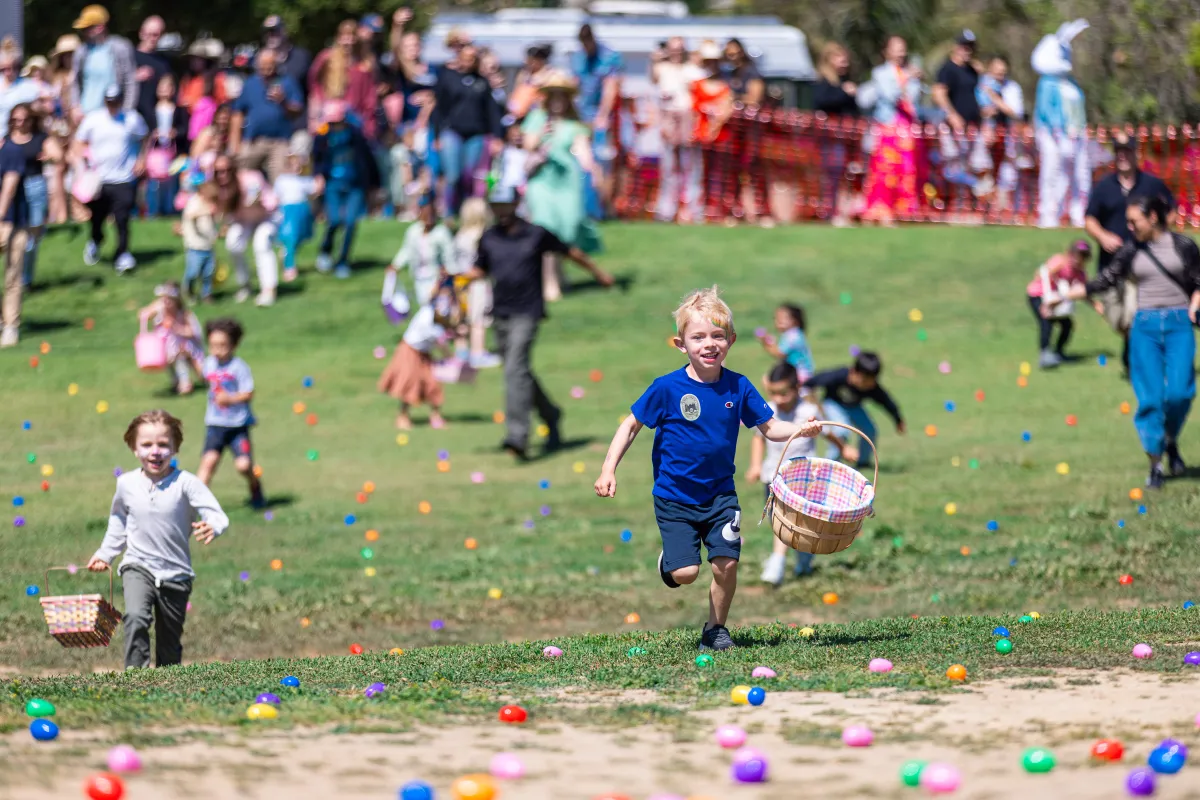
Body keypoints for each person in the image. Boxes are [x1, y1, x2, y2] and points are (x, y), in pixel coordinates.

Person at [593, 287, 822, 651]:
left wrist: (799, 429)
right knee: (686, 574)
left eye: (718, 336)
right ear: (680, 343)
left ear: (730, 341)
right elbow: (630, 425)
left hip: (720, 496)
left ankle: (715, 629)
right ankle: (671, 562)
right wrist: (608, 469)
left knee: (725, 566)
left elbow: (769, 427)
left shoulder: (739, 386)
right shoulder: (666, 388)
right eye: (698, 336)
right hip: (674, 498)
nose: (709, 344)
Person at [463, 184, 613, 459]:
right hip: (501, 313)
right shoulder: (489, 237)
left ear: (516, 203)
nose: (501, 211)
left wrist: (598, 273)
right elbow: (479, 270)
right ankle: (551, 413)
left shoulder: (536, 233)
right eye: (496, 206)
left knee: (514, 370)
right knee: (517, 371)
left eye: (505, 205)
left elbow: (570, 252)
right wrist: (454, 279)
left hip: (528, 312)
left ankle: (517, 437)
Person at [1068, 195, 1200, 489]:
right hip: (1145, 328)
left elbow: (1199, 280)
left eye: (1133, 221)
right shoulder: (1131, 250)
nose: (1128, 227)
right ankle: (1155, 465)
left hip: (1180, 325)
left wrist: (1196, 301)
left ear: (1153, 217)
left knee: (1180, 393)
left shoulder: (1184, 246)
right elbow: (1108, 278)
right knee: (1151, 398)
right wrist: (1074, 292)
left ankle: (1169, 439)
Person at [87, 409, 229, 670]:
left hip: (176, 573)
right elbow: (118, 522)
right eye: (147, 444)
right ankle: (136, 676)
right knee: (136, 617)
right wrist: (106, 553)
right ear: (134, 448)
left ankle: (167, 681)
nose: (155, 451)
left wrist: (213, 526)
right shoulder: (127, 484)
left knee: (169, 640)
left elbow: (215, 513)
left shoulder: (186, 483)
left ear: (175, 448)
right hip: (137, 565)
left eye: (163, 444)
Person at [1085, 133, 1176, 371]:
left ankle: (1142, 357)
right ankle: (1131, 345)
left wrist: (1157, 235)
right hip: (1111, 266)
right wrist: (1103, 236)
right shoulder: (1104, 186)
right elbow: (1089, 220)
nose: (1123, 156)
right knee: (1119, 319)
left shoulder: (1151, 185)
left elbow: (1171, 210)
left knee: (1137, 315)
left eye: (1127, 151)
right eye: (1119, 151)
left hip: (1142, 267)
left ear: (1136, 153)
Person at [748, 362, 844, 586]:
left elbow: (827, 432)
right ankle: (779, 560)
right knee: (780, 521)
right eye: (773, 392)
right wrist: (755, 465)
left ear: (797, 387)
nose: (778, 398)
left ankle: (799, 559)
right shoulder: (768, 410)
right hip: (773, 476)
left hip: (803, 478)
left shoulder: (808, 412)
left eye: (783, 392)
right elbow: (758, 438)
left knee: (801, 524)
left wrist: (843, 447)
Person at [522, 72, 602, 302]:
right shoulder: (537, 118)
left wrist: (594, 170)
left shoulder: (575, 125)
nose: (557, 100)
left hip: (566, 182)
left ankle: (558, 272)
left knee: (567, 228)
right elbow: (528, 145)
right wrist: (541, 133)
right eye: (553, 95)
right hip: (542, 180)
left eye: (562, 95)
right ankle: (550, 283)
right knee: (545, 226)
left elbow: (583, 152)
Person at [75, 84, 148, 274]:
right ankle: (95, 240)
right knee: (97, 218)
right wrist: (84, 162)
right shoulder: (94, 119)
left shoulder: (132, 119)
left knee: (122, 217)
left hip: (123, 177)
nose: (112, 105)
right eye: (109, 102)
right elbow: (79, 142)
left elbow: (144, 138)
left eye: (115, 102)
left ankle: (122, 253)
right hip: (100, 179)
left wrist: (141, 159)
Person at [197, 317, 265, 507]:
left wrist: (229, 398)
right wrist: (186, 356)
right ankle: (196, 508)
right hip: (215, 424)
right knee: (207, 465)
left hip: (238, 426)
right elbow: (202, 376)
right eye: (213, 345)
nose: (217, 350)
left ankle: (255, 485)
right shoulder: (209, 363)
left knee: (243, 466)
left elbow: (248, 393)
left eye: (222, 345)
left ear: (234, 345)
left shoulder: (239, 367)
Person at [431, 42, 504, 217]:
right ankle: (449, 212)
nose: (469, 61)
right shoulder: (447, 77)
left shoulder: (482, 82)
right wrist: (437, 135)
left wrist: (497, 137)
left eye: (473, 58)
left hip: (475, 134)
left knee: (469, 175)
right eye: (466, 58)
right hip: (452, 132)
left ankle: (466, 211)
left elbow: (492, 112)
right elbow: (438, 109)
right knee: (453, 175)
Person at [858, 35, 923, 225]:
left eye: (902, 47)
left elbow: (913, 98)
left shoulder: (908, 72)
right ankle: (879, 211)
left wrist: (909, 79)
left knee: (906, 170)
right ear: (886, 51)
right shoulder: (881, 73)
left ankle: (902, 212)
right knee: (884, 171)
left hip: (906, 129)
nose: (900, 51)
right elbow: (890, 95)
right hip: (887, 129)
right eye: (896, 47)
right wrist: (907, 79)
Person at [1032, 19, 1091, 228]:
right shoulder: (1047, 83)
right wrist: (1059, 133)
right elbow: (1047, 112)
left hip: (1076, 135)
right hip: (1054, 136)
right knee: (1053, 171)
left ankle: (1078, 212)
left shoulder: (1071, 82)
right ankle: (1049, 213)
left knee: (1079, 174)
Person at [378, 281, 460, 429]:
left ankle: (436, 416)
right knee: (409, 384)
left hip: (424, 353)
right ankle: (402, 416)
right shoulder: (427, 317)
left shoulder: (438, 316)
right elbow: (440, 342)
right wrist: (450, 357)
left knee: (433, 383)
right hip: (410, 350)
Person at [312, 100, 379, 278]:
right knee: (334, 220)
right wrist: (318, 176)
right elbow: (317, 159)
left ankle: (343, 261)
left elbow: (368, 161)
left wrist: (373, 186)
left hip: (354, 185)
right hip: (333, 184)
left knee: (350, 222)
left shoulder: (356, 135)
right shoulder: (322, 136)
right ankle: (326, 251)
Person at [803, 352, 905, 466]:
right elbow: (812, 381)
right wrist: (804, 390)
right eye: (864, 381)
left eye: (871, 381)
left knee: (870, 430)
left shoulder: (873, 387)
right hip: (833, 404)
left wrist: (898, 420)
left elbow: (886, 402)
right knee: (842, 431)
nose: (867, 385)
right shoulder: (839, 376)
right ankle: (830, 464)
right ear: (853, 372)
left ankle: (863, 463)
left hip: (854, 407)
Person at [211, 153, 279, 306]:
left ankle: (268, 290)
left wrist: (260, 201)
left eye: (227, 170)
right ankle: (245, 284)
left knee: (261, 244)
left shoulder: (250, 179)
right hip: (244, 220)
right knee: (233, 243)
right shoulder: (220, 189)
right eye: (218, 172)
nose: (223, 175)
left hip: (266, 217)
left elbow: (271, 200)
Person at [651, 37, 705, 223]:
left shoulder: (693, 69)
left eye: (680, 48)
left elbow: (699, 96)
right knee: (668, 167)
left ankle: (692, 209)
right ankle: (666, 210)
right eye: (673, 48)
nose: (676, 52)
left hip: (688, 117)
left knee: (690, 166)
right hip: (668, 116)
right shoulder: (662, 69)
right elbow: (655, 82)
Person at [571, 24, 623, 217]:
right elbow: (575, 87)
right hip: (581, 118)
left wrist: (602, 116)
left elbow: (610, 88)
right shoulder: (578, 57)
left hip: (602, 119)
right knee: (583, 161)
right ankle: (586, 206)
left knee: (602, 162)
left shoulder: (609, 56)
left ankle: (604, 208)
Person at [230, 48, 303, 183]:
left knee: (281, 180)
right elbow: (237, 113)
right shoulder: (250, 83)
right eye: (263, 65)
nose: (266, 68)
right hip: (254, 140)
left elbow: (298, 110)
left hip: (279, 141)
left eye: (270, 65)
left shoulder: (287, 81)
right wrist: (235, 143)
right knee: (239, 176)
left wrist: (283, 101)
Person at [8, 104, 59, 289]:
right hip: (13, 189)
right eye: (16, 120)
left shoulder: (39, 138)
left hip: (35, 186)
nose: (20, 124)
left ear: (31, 120)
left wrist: (49, 157)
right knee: (17, 236)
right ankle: (18, 278)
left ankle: (26, 277)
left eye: (24, 119)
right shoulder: (6, 140)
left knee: (33, 238)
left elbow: (58, 155)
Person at [721, 38, 771, 225]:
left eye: (735, 52)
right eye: (729, 53)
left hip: (752, 131)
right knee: (732, 171)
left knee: (754, 170)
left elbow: (755, 98)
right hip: (734, 132)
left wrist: (732, 100)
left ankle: (763, 213)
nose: (732, 56)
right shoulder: (729, 73)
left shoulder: (751, 71)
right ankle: (735, 211)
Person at [813, 42, 859, 226]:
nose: (844, 62)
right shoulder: (824, 82)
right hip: (830, 137)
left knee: (844, 174)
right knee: (832, 174)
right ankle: (831, 212)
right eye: (839, 57)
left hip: (846, 136)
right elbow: (822, 102)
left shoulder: (844, 80)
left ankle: (843, 211)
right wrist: (844, 93)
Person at [386, 193, 454, 316]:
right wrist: (396, 265)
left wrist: (449, 270)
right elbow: (406, 250)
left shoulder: (441, 233)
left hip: (436, 277)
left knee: (431, 309)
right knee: (425, 306)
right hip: (419, 275)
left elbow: (449, 254)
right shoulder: (413, 231)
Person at [308, 20, 377, 139]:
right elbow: (314, 85)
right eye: (344, 36)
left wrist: (369, 127)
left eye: (351, 36)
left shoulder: (364, 65)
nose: (348, 41)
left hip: (355, 121)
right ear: (338, 38)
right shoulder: (327, 58)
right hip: (329, 117)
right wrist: (315, 117)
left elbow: (370, 100)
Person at [1027, 239, 1090, 368]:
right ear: (1070, 254)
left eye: (1083, 257)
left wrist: (1096, 305)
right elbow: (1041, 274)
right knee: (1047, 320)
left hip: (1055, 300)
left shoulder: (1080, 273)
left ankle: (1059, 353)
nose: (1078, 260)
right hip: (1037, 295)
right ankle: (1045, 354)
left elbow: (1083, 291)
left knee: (1067, 324)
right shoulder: (1060, 261)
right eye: (1076, 255)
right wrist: (1046, 301)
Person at [454, 196, 501, 368]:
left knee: (461, 319)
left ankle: (461, 354)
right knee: (478, 319)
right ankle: (478, 353)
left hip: (459, 283)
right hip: (478, 284)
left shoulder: (460, 236)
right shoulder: (483, 237)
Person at [69, 5, 137, 119]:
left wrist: (127, 111)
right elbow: (75, 81)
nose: (83, 32)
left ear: (100, 27)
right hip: (86, 114)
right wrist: (75, 106)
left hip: (113, 115)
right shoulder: (81, 51)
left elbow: (130, 81)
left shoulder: (121, 47)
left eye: (87, 28)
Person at [691, 41, 734, 221]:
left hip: (720, 137)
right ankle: (698, 210)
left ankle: (719, 210)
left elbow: (726, 110)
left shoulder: (725, 87)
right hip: (700, 137)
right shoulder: (697, 85)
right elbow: (693, 111)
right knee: (699, 174)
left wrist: (713, 127)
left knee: (720, 174)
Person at [138, 281, 205, 394]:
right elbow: (143, 314)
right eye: (164, 299)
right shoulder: (160, 310)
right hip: (167, 348)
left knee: (204, 376)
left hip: (186, 347)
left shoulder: (184, 314)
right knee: (171, 358)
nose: (166, 302)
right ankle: (179, 382)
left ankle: (186, 381)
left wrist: (176, 327)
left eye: (170, 299)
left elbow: (193, 332)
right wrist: (149, 311)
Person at [0, 115, 29, 348]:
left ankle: (10, 326)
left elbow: (9, 188)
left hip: (12, 222)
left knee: (12, 276)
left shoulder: (11, 151)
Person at [273, 149, 322, 283]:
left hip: (302, 211)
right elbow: (276, 197)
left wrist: (319, 185)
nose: (296, 167)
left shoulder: (304, 180)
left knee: (300, 237)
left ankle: (286, 254)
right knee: (291, 237)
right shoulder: (282, 180)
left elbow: (314, 191)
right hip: (288, 211)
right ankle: (290, 267)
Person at [144, 74, 188, 218]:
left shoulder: (178, 109)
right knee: (154, 183)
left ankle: (170, 210)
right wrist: (153, 134)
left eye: (167, 87)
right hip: (156, 154)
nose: (164, 90)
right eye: (161, 87)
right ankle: (153, 211)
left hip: (173, 153)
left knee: (172, 182)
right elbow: (146, 130)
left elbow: (184, 129)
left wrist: (175, 133)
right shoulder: (151, 110)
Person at [933, 30, 981, 134]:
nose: (968, 50)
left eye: (971, 47)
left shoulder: (972, 70)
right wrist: (952, 115)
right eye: (965, 46)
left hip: (972, 127)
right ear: (956, 47)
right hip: (953, 128)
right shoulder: (948, 69)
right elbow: (938, 94)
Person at [181, 180, 219, 302]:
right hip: (195, 246)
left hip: (208, 245)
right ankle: (189, 290)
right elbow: (190, 215)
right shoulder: (195, 202)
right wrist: (207, 211)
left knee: (208, 272)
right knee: (193, 272)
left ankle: (206, 294)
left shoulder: (211, 204)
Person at [261, 16, 312, 104]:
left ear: (284, 31)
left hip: (298, 113)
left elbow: (312, 87)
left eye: (274, 30)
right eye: (267, 32)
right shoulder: (260, 60)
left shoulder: (301, 57)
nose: (270, 35)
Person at [133, 16, 170, 132]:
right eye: (148, 34)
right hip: (130, 116)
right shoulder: (129, 57)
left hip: (151, 121)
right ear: (141, 33)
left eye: (156, 35)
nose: (152, 38)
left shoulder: (163, 63)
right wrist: (134, 77)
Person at [759, 303, 814, 382]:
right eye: (776, 318)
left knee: (767, 380)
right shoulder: (792, 334)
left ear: (795, 321)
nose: (778, 321)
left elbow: (779, 353)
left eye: (782, 318)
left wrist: (765, 343)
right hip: (797, 373)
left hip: (800, 374)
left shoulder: (793, 336)